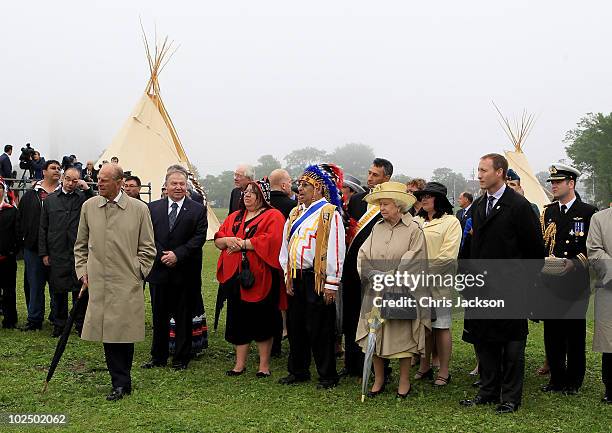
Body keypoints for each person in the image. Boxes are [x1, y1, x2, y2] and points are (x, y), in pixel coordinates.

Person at [460, 153, 544, 414]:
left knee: (511, 345)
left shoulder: (518, 206)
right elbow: (473, 246)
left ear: (500, 173)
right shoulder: (477, 206)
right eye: (478, 169)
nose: (479, 175)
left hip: (511, 288)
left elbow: (534, 252)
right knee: (484, 341)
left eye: (484, 170)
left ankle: (510, 397)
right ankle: (488, 390)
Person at [74, 163, 156, 401]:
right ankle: (119, 382)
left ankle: (122, 381)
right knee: (109, 332)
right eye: (99, 179)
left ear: (120, 183)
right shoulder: (89, 207)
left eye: (105, 180)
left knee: (123, 330)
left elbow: (148, 247)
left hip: (126, 280)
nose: (99, 183)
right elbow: (80, 244)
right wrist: (83, 271)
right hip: (99, 281)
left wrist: (138, 273)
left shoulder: (139, 209)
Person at [355, 181, 430, 398]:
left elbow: (414, 258)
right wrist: (369, 273)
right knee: (374, 334)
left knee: (402, 337)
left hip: (401, 291)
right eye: (380, 204)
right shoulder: (377, 227)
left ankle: (404, 381)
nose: (382, 208)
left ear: (398, 205)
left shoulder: (414, 229)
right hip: (375, 290)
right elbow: (362, 253)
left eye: (386, 204)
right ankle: (379, 379)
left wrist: (392, 276)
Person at [278, 164, 345, 389]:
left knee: (320, 328)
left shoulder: (329, 213)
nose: (301, 189)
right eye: (300, 184)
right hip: (296, 276)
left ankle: (327, 375)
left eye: (306, 185)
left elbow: (336, 249)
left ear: (319, 188)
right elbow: (286, 246)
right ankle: (298, 370)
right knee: (296, 326)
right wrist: (287, 274)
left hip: (317, 278)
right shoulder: (295, 212)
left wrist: (332, 284)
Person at [215, 179, 285, 377]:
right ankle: (239, 364)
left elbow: (272, 240)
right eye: (245, 192)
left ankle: (263, 365)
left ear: (262, 196)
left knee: (262, 318)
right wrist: (228, 240)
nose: (247, 195)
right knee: (238, 318)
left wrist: (244, 244)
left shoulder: (273, 215)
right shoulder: (236, 216)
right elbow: (219, 238)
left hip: (261, 277)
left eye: (252, 192)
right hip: (235, 276)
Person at [540, 163, 597, 395]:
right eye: (552, 182)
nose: (553, 186)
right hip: (551, 281)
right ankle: (556, 378)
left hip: (575, 282)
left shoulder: (588, 212)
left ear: (571, 184)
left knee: (573, 333)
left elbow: (592, 247)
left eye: (558, 182)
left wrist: (574, 262)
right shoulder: (549, 212)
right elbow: (542, 243)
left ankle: (573, 381)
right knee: (552, 333)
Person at [143, 169, 207, 371]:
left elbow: (198, 238)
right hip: (159, 271)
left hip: (185, 272)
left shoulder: (197, 209)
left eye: (182, 184)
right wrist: (163, 255)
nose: (178, 187)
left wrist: (177, 255)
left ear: (186, 186)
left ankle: (181, 358)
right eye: (174, 184)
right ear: (166, 186)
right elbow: (147, 236)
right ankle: (158, 356)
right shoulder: (152, 208)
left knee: (183, 316)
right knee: (159, 316)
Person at [341, 158, 392, 378]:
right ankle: (352, 364)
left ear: (386, 178)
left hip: (378, 270)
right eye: (369, 173)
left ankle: (378, 366)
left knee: (377, 317)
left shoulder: (391, 202)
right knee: (351, 316)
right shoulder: (358, 200)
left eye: (375, 175)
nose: (370, 178)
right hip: (352, 267)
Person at [413, 182, 462, 387]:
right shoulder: (416, 221)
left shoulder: (451, 222)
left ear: (439, 199)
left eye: (429, 196)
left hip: (439, 282)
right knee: (423, 327)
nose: (424, 199)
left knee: (441, 326)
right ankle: (424, 366)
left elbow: (448, 255)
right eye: (422, 196)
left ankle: (444, 370)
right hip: (416, 283)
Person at [39, 167, 93, 337]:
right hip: (57, 252)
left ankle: (80, 323)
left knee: (81, 290)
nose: (70, 183)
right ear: (62, 178)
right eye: (68, 179)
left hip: (78, 253)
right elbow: (43, 228)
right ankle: (59, 324)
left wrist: (87, 189)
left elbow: (98, 205)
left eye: (75, 180)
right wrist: (44, 253)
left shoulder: (84, 199)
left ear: (79, 181)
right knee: (58, 290)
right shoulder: (50, 200)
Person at [17, 159, 61, 331]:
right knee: (34, 285)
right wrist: (25, 239)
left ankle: (57, 317)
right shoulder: (31, 194)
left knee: (57, 285)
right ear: (44, 171)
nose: (57, 171)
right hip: (33, 248)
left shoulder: (64, 194)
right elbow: (21, 218)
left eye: (59, 168)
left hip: (57, 249)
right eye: (53, 168)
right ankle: (34, 319)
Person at [268, 168, 297, 357]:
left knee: (268, 303)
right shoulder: (292, 208)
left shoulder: (262, 205)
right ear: (285, 185)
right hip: (285, 260)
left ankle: (269, 343)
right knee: (283, 302)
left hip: (264, 260)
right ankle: (281, 340)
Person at [587, 207, 612, 404]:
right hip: (609, 286)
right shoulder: (599, 219)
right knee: (609, 341)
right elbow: (594, 250)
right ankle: (610, 388)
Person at [0, 177, 19, 328]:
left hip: (6, 258)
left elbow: (18, 234)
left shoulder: (11, 211)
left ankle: (9, 320)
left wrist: (12, 251)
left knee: (9, 291)